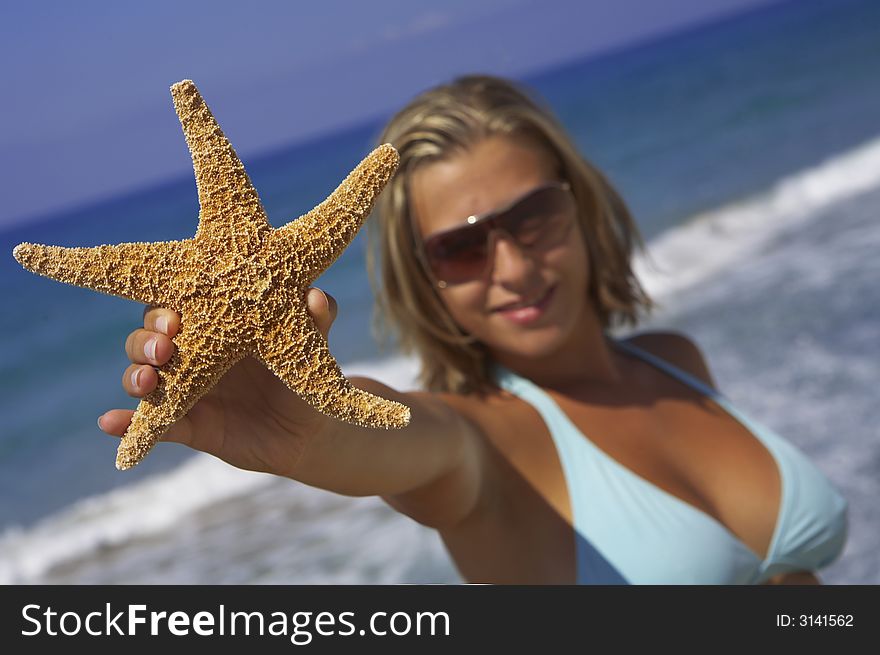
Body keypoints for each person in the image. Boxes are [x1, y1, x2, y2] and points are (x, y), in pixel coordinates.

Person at [98, 75, 847, 584]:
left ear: (582, 208)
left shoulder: (676, 359)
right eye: (460, 246)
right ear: (422, 276)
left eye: (534, 217)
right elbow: (399, 441)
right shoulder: (481, 444)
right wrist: (309, 431)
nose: (514, 266)